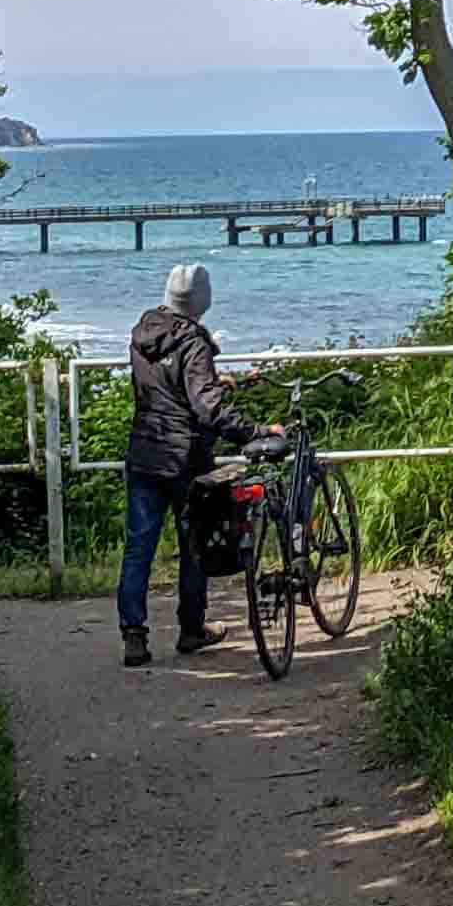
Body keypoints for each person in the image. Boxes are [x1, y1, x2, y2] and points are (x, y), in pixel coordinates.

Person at [117, 262, 281, 668]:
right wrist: (257, 430)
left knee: (139, 546)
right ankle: (191, 629)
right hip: (186, 458)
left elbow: (164, 387)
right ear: (203, 301)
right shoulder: (194, 342)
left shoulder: (143, 333)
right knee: (194, 547)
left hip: (144, 452)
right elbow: (208, 410)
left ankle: (133, 635)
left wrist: (208, 382)